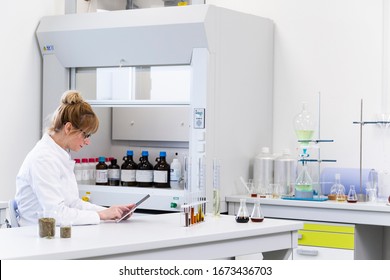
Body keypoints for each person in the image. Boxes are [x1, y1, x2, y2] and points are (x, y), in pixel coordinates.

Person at [15, 90, 135, 226]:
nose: (87, 141)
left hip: (56, 233)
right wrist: (100, 215)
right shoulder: (43, 159)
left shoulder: (59, 155)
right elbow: (56, 214)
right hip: (38, 236)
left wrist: (111, 212)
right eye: (86, 135)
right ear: (68, 128)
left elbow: (73, 203)